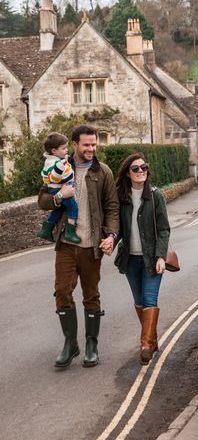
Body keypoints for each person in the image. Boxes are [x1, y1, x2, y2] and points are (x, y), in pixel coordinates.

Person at [38, 125, 119, 369]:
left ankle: (91, 345)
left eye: (94, 144)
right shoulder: (60, 167)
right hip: (65, 242)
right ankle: (70, 344)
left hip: (91, 245)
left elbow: (112, 207)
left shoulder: (103, 171)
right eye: (86, 145)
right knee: (62, 291)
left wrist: (112, 235)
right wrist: (59, 197)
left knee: (91, 295)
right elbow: (42, 200)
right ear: (74, 145)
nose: (91, 149)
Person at [114, 152, 170, 365]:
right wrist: (110, 239)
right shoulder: (122, 197)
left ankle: (146, 345)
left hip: (151, 259)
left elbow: (164, 229)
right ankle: (152, 339)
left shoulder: (156, 195)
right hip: (130, 260)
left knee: (150, 299)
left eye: (143, 167)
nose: (141, 172)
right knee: (139, 302)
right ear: (128, 173)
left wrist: (160, 256)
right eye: (135, 168)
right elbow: (118, 228)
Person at [37, 131, 81, 244]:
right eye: (64, 148)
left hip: (57, 188)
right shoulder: (56, 163)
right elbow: (55, 177)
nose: (67, 150)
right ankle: (70, 232)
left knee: (59, 209)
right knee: (74, 208)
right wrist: (61, 194)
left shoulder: (55, 160)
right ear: (54, 151)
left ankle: (46, 230)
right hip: (58, 188)